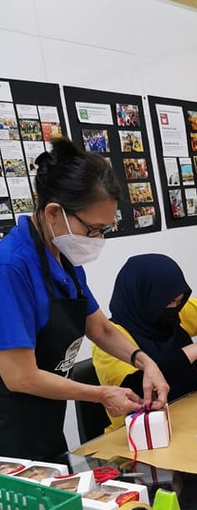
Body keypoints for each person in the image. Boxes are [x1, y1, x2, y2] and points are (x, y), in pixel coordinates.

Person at [0, 138, 168, 464]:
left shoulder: (64, 256)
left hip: (45, 421)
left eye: (105, 229)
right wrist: (101, 395)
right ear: (53, 213)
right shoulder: (11, 267)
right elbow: (19, 376)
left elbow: (101, 329)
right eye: (93, 229)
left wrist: (146, 362)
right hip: (9, 434)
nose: (97, 240)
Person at [92, 254, 197, 430]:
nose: (175, 308)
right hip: (139, 431)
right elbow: (134, 390)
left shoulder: (174, 314)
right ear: (146, 299)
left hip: (187, 414)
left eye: (179, 301)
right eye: (170, 302)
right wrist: (191, 353)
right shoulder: (110, 340)